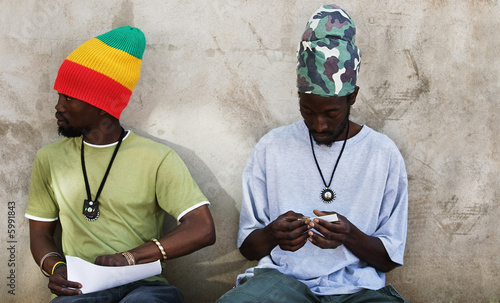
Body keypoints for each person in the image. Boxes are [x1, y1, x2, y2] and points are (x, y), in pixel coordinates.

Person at [217, 4, 408, 303]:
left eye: (331, 113)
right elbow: (249, 248)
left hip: (358, 290)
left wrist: (349, 236)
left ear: (352, 96)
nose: (318, 125)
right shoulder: (272, 147)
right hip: (281, 282)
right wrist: (273, 234)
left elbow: (388, 260)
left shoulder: (381, 153)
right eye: (308, 111)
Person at [25, 25, 215, 303]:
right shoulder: (49, 159)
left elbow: (202, 227)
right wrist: (56, 268)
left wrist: (131, 258)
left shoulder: (157, 158)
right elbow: (41, 233)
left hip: (146, 287)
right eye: (59, 95)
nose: (58, 106)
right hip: (81, 289)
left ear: (102, 106)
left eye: (69, 97)